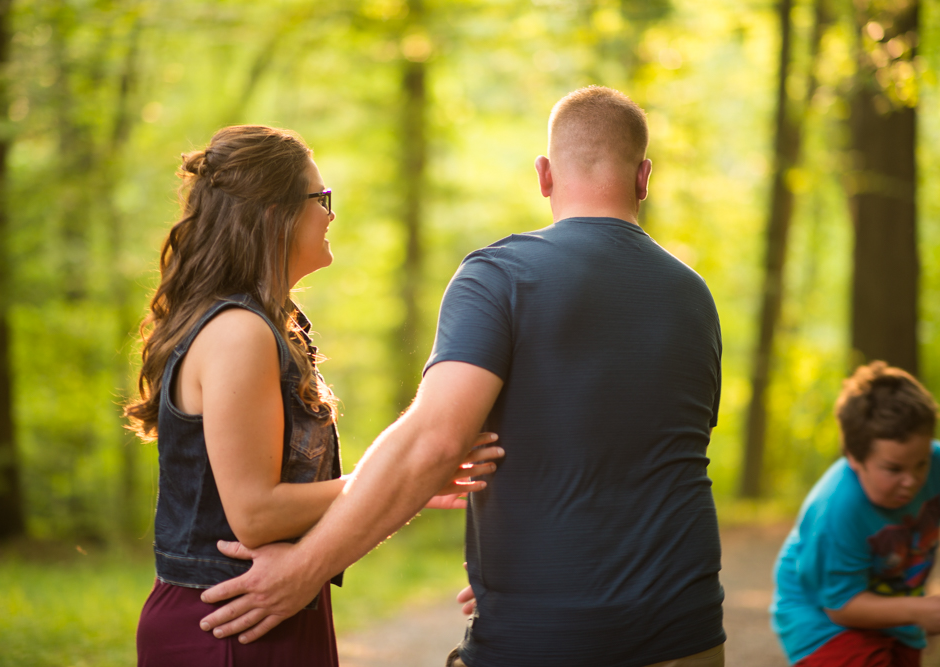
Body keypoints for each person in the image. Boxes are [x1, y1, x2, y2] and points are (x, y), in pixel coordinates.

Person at [198, 87, 725, 667]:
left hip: (547, 639)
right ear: (644, 177)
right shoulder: (693, 297)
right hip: (690, 630)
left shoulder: (501, 276)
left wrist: (304, 570)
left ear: (544, 175)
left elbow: (436, 442)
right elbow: (645, 454)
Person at [124, 125, 502, 666]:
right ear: (273, 213)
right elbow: (254, 515)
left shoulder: (267, 326)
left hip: (267, 610)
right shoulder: (239, 332)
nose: (330, 214)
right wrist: (399, 477)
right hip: (229, 624)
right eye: (320, 199)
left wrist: (408, 480)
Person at [771, 361, 940, 666]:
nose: (912, 480)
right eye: (893, 469)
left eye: (921, 463)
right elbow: (841, 606)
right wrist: (919, 611)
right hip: (824, 621)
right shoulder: (836, 509)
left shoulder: (934, 463)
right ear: (854, 456)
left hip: (896, 613)